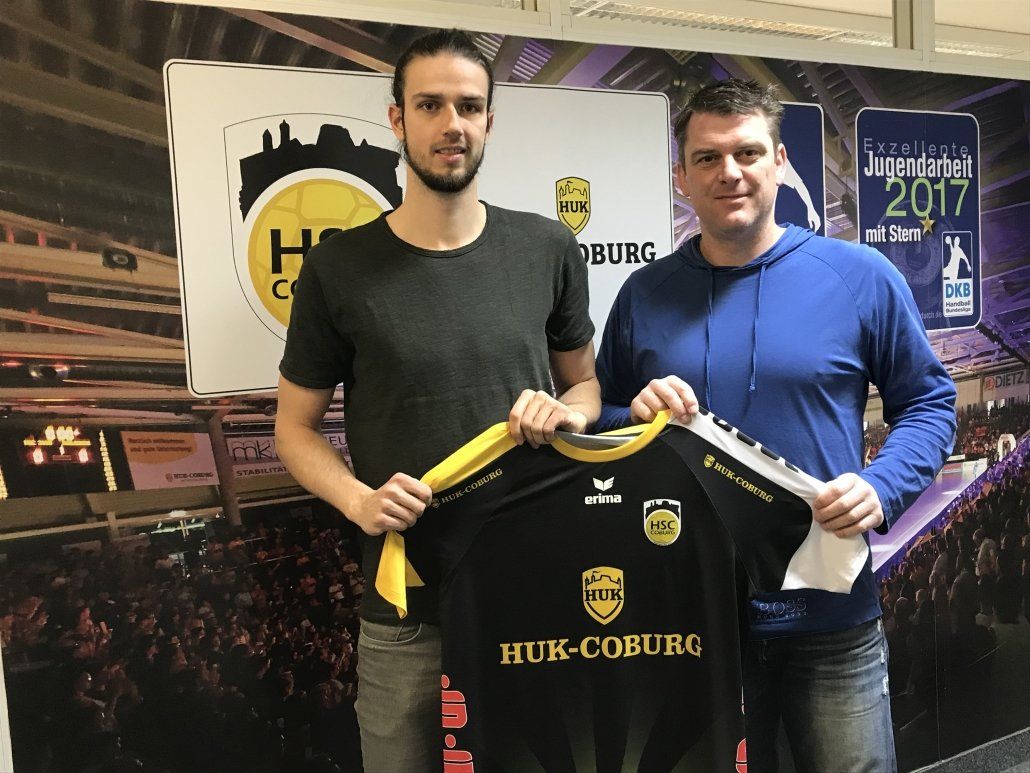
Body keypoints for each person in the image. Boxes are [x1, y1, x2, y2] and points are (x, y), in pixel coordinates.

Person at [594, 78, 956, 772]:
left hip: (830, 615)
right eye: (707, 158)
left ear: (780, 162)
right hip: (694, 623)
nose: (729, 172)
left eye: (748, 153)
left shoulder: (859, 275)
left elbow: (930, 402)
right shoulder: (644, 294)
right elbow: (601, 417)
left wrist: (882, 485)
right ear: (681, 177)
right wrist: (629, 415)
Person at [274, 29, 600, 772]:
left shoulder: (547, 248)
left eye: (468, 106)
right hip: (405, 605)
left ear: (489, 121)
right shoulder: (336, 268)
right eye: (429, 105)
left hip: (533, 591)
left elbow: (584, 382)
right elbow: (294, 429)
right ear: (397, 119)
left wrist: (571, 414)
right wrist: (358, 500)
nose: (452, 124)